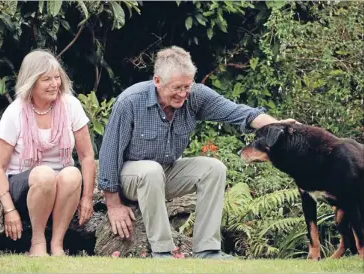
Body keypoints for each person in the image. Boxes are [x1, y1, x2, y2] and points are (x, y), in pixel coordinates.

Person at [98, 46, 298, 259]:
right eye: (177, 87)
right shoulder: (130, 101)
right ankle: (163, 251)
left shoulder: (195, 96)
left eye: (187, 86)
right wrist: (113, 204)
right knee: (151, 170)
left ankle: (207, 250)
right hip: (132, 176)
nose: (183, 93)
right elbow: (109, 152)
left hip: (165, 172)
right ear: (157, 81)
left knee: (214, 168)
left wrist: (279, 126)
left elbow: (240, 113)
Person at [0, 49, 95, 257]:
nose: (55, 84)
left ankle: (57, 244)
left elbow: (86, 155)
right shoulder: (15, 112)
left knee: (72, 173)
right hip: (24, 184)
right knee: (44, 174)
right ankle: (37, 243)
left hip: (62, 186)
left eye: (57, 78)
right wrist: (9, 209)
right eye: (46, 79)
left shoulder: (70, 105)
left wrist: (87, 197)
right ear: (31, 82)